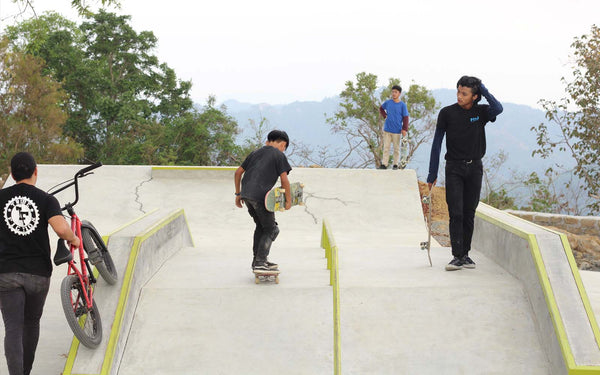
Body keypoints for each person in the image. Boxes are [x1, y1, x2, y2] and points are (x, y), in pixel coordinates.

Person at [0, 152, 80, 375]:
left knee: (13, 328)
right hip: (38, 274)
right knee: (31, 324)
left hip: (6, 274)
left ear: (12, 173)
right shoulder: (46, 199)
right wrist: (73, 239)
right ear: (36, 171)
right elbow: (61, 229)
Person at [426, 76, 503, 271]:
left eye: (465, 93)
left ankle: (466, 255)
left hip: (475, 168)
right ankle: (456, 256)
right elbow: (437, 143)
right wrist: (431, 173)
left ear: (475, 96)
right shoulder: (447, 113)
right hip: (454, 168)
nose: (459, 96)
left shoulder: (482, 112)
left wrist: (483, 88)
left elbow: (498, 108)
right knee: (456, 212)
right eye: (458, 92)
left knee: (469, 212)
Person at [234, 130, 292, 271]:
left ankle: (258, 261)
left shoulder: (255, 153)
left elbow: (238, 172)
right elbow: (284, 180)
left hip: (246, 195)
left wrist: (238, 194)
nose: (283, 150)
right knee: (272, 229)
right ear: (283, 144)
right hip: (261, 197)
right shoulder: (279, 155)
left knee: (261, 227)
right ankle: (260, 262)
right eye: (284, 147)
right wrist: (288, 201)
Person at [379, 84, 410, 170]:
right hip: (387, 129)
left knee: (396, 149)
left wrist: (405, 129)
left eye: (395, 92)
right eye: (392, 92)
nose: (393, 94)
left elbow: (406, 117)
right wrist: (385, 116)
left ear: (399, 93)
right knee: (386, 148)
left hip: (397, 130)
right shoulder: (388, 103)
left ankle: (395, 164)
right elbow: (381, 108)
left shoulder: (402, 105)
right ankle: (384, 164)